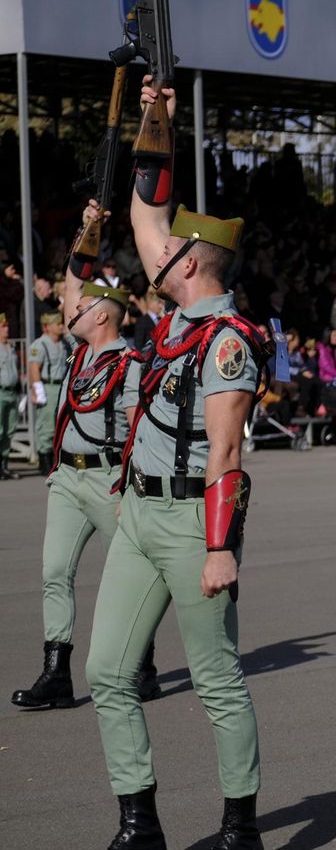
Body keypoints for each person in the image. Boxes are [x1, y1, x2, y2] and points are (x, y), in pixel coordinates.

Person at [84, 77, 269, 848]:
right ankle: (139, 819)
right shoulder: (171, 319)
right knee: (105, 673)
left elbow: (227, 450)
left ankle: (240, 826)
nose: (153, 251)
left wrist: (221, 547)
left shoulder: (225, 342)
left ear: (192, 265)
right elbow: (144, 207)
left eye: (168, 250)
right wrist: (157, 117)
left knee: (218, 680)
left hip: (198, 520)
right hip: (140, 513)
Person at [12, 267, 161, 710]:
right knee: (54, 572)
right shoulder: (78, 357)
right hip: (67, 479)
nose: (70, 311)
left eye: (80, 308)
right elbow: (74, 279)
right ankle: (56, 674)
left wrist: (133, 490)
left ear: (101, 317)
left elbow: (139, 432)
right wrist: (88, 227)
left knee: (134, 579)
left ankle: (142, 667)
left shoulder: (128, 364)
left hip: (109, 480)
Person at [27, 310, 70, 465]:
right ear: (47, 327)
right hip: (48, 386)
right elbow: (34, 368)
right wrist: (38, 392)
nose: (61, 326)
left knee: (60, 423)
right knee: (46, 425)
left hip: (61, 386)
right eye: (57, 324)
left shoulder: (63, 343)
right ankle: (44, 458)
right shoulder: (40, 344)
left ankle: (54, 457)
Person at [1, 312, 19, 479]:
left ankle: (4, 465)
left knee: (9, 430)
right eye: (3, 326)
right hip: (0, 392)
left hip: (12, 392)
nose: (7, 329)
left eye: (7, 326)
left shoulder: (11, 347)